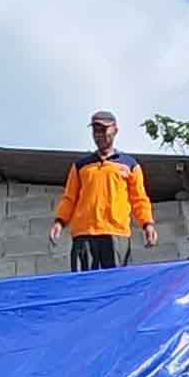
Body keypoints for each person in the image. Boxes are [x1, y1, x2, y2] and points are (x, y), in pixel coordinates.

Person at [54, 112, 160, 270]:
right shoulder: (81, 166)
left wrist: (147, 224)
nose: (99, 135)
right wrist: (59, 222)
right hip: (84, 234)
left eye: (104, 130)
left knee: (115, 285)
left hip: (116, 234)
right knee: (85, 285)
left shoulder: (130, 165)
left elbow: (139, 199)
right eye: (96, 131)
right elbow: (70, 198)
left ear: (115, 130)